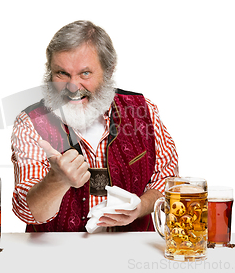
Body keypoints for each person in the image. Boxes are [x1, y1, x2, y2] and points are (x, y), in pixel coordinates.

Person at [11, 20, 178, 232]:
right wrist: (58, 180)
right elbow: (27, 211)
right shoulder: (31, 122)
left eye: (85, 74)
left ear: (108, 72)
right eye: (62, 73)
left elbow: (168, 181)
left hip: (133, 252)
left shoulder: (144, 110)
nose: (73, 87)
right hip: (59, 258)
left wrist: (139, 207)